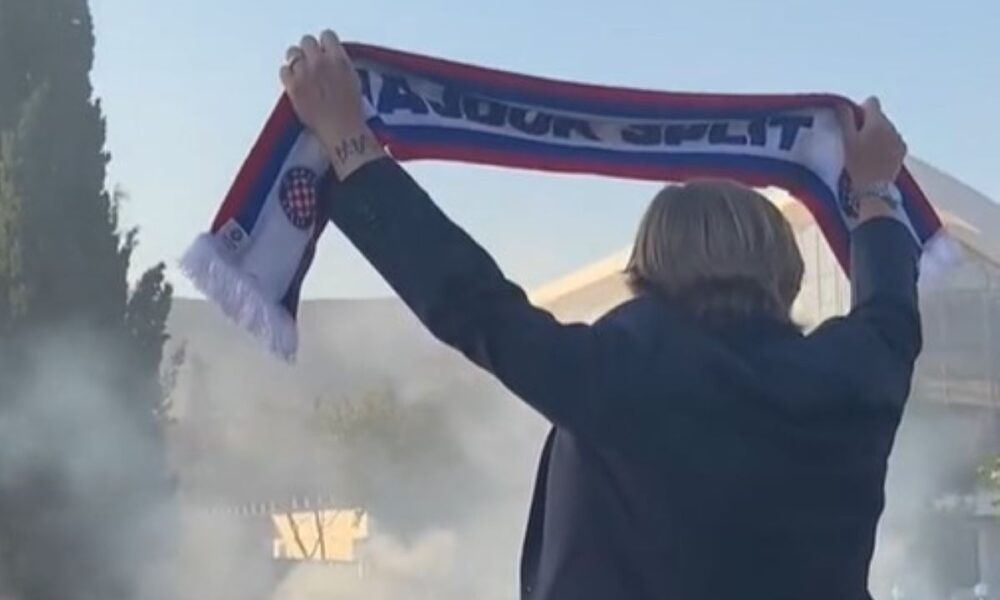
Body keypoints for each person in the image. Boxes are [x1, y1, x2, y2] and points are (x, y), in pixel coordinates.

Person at [281, 31, 921, 600]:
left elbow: (473, 302)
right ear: (786, 268)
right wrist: (874, 188)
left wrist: (349, 144)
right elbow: (890, 306)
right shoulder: (858, 377)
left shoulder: (619, 374)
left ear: (650, 267)